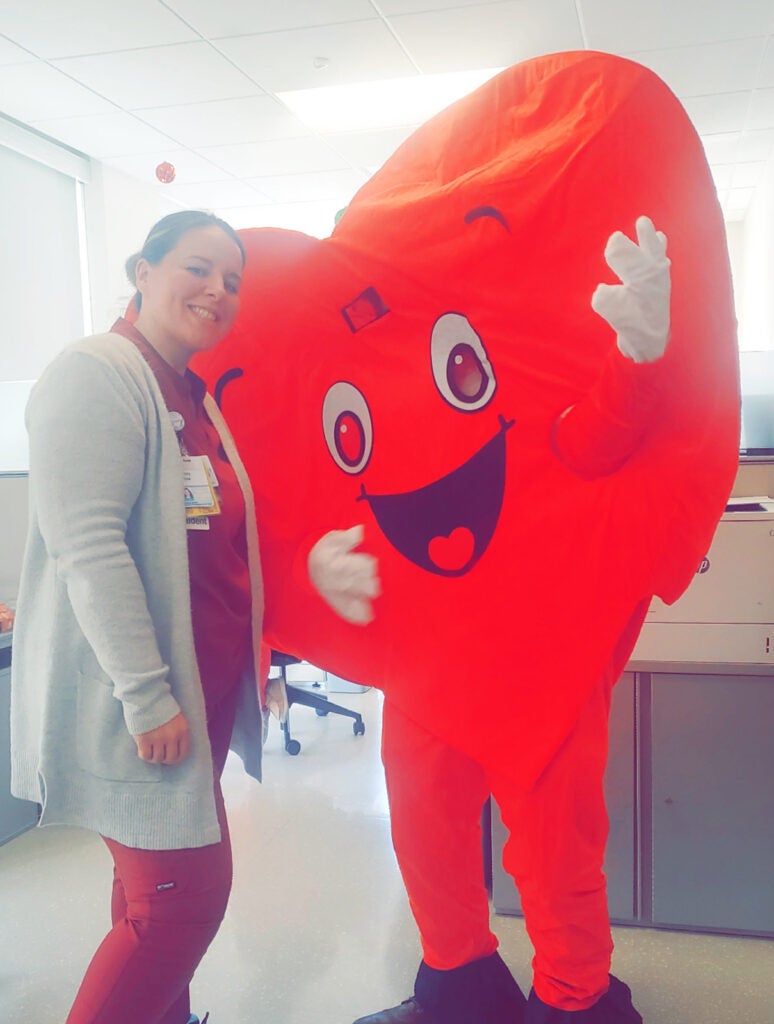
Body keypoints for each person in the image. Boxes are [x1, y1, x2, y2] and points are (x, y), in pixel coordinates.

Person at [10, 210, 265, 1024]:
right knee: (180, 903)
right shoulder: (96, 372)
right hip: (142, 700)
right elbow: (90, 548)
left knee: (144, 892)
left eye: (232, 280)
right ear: (141, 270)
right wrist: (149, 696)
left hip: (201, 689)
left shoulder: (186, 390)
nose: (217, 290)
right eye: (197, 267)